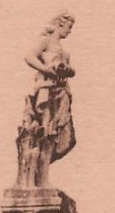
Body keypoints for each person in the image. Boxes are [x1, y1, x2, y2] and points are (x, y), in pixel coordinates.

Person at [16, 13, 76, 188]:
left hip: (61, 92)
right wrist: (46, 70)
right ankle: (39, 178)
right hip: (46, 91)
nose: (69, 32)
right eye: (69, 27)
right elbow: (29, 57)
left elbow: (69, 71)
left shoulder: (64, 51)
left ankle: (41, 175)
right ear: (59, 24)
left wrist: (68, 71)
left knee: (60, 136)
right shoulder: (45, 41)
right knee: (45, 133)